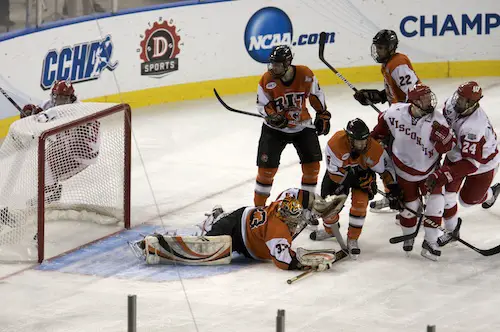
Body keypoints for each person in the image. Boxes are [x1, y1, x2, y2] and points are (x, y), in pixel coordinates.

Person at [133, 188, 347, 271]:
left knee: (220, 250)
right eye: (292, 222)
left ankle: (218, 218)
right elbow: (283, 261)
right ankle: (213, 220)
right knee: (206, 248)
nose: (295, 224)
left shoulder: (283, 202)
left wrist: (318, 205)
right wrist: (301, 264)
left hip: (248, 236)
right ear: (284, 218)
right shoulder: (277, 231)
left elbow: (299, 195)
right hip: (235, 226)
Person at [371, 84, 453, 261]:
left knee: (437, 204)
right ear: (413, 103)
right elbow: (378, 134)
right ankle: (408, 237)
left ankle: (430, 242)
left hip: (430, 172)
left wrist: (445, 140)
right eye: (423, 98)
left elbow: (447, 148)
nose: (429, 101)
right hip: (402, 172)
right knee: (409, 210)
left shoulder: (438, 120)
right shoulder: (394, 113)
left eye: (428, 96)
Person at [310, 118, 402, 258]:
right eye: (358, 140)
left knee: (360, 205)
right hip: (338, 178)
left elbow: (386, 170)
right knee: (327, 209)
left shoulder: (375, 148)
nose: (362, 144)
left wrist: (392, 189)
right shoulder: (335, 144)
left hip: (364, 176)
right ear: (349, 138)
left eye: (364, 140)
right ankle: (329, 231)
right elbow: (335, 174)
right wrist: (355, 179)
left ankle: (353, 238)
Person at [254, 45, 331, 207]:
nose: (273, 67)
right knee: (265, 172)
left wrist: (322, 114)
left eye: (278, 64)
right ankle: (258, 210)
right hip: (274, 130)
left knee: (312, 167)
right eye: (272, 63)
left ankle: (307, 208)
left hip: (302, 126)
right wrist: (273, 117)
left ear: (288, 63)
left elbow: (316, 95)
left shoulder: (305, 74)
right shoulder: (266, 79)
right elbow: (263, 105)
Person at [425, 81, 500, 246]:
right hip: (457, 154)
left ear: (472, 104)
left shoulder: (474, 127)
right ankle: (452, 230)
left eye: (462, 99)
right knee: (447, 195)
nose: (456, 101)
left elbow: (471, 164)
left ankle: (490, 194)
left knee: (468, 201)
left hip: (483, 164)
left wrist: (444, 174)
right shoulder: (453, 105)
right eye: (458, 96)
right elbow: (438, 120)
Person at [353, 29, 421, 212]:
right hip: (400, 117)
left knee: (386, 153)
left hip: (407, 121)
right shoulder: (389, 63)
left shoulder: (397, 64)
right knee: (387, 155)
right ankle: (395, 194)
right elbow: (396, 92)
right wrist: (377, 96)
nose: (378, 51)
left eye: (382, 48)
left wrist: (402, 118)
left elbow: (415, 95)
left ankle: (407, 198)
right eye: (377, 47)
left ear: (391, 48)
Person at [21, 80, 100, 205]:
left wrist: (37, 119)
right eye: (57, 97)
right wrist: (30, 112)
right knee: (43, 157)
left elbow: (49, 118)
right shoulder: (53, 104)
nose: (59, 101)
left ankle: (48, 195)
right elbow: (41, 110)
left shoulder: (76, 109)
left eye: (64, 98)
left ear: (71, 98)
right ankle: (52, 191)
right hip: (67, 144)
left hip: (82, 152)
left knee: (46, 165)